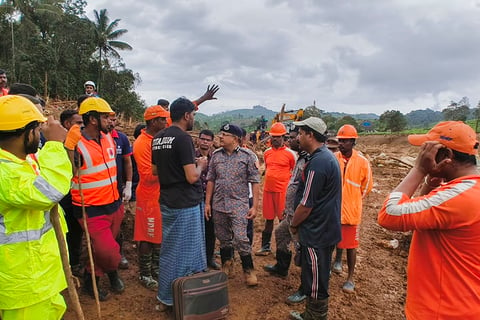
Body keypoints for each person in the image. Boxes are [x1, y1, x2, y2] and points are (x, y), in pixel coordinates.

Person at [378, 121, 480, 319]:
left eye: (427, 150)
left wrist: (419, 169)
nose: (422, 155)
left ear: (447, 156)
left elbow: (389, 214)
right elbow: (424, 214)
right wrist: (431, 181)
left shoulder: (457, 198)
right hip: (465, 303)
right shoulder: (469, 191)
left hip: (440, 310)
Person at [0, 95, 72, 320]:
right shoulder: (4, 173)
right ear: (27, 133)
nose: (40, 135)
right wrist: (54, 144)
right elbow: (49, 191)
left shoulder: (20, 160)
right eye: (38, 130)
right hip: (24, 286)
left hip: (42, 275)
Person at [152, 97, 208, 310]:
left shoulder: (157, 138)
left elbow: (155, 171)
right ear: (186, 115)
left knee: (169, 249)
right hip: (185, 203)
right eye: (193, 115)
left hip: (166, 200)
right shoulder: (183, 139)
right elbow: (192, 177)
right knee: (187, 252)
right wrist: (200, 164)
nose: (193, 118)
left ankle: (165, 295)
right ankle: (182, 298)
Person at [67, 97, 125, 301]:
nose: (112, 121)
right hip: (90, 209)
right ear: (92, 119)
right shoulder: (75, 144)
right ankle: (111, 270)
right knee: (109, 252)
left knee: (99, 250)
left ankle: (92, 284)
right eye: (106, 117)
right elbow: (69, 171)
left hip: (114, 204)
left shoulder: (108, 137)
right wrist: (70, 143)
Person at [289, 117, 341, 320]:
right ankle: (312, 313)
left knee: (317, 276)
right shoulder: (325, 157)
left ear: (310, 135)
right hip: (324, 228)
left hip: (317, 232)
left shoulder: (318, 162)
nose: (298, 137)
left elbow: (306, 204)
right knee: (315, 272)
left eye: (301, 134)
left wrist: (294, 225)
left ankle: (316, 316)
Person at [205, 124, 261, 286]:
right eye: (221, 133)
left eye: (224, 134)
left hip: (239, 204)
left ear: (235, 139)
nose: (220, 137)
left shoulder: (247, 156)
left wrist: (255, 206)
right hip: (219, 204)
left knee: (241, 238)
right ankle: (227, 264)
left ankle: (248, 270)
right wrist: (208, 203)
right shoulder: (216, 156)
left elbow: (255, 182)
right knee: (223, 238)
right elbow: (211, 180)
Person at [331, 124, 373, 293]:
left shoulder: (363, 162)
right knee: (332, 240)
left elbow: (367, 186)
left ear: (353, 142)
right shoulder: (333, 159)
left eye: (345, 141)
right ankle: (335, 262)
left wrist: (353, 200)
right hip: (333, 210)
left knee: (351, 246)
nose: (341, 144)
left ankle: (350, 278)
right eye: (340, 140)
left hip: (351, 211)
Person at [133, 106, 170, 289]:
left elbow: (179, 119)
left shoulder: (157, 138)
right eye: (163, 119)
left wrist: (199, 101)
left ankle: (156, 269)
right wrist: (173, 171)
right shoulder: (142, 143)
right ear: (154, 122)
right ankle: (145, 274)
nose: (166, 122)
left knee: (159, 235)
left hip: (160, 195)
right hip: (148, 197)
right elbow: (148, 175)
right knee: (147, 236)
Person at [264, 129, 306, 278]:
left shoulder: (304, 159)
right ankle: (281, 267)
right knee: (281, 232)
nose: (291, 140)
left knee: (303, 244)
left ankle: (307, 280)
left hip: (301, 211)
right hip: (290, 209)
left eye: (294, 138)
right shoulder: (300, 158)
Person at [257, 122, 297, 255]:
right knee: (268, 219)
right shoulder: (267, 153)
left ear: (283, 137)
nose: (274, 139)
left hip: (282, 192)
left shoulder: (291, 154)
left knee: (282, 221)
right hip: (268, 190)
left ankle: (282, 249)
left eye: (278, 136)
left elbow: (294, 172)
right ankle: (265, 246)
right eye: (273, 136)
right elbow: (267, 169)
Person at [59, 109, 85, 277]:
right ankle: (64, 265)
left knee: (76, 232)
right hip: (62, 196)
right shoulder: (57, 143)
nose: (81, 127)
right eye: (78, 123)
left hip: (77, 196)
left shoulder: (80, 143)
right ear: (67, 124)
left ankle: (74, 264)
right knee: (64, 231)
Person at [108, 113, 133, 270]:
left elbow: (127, 162)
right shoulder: (95, 139)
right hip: (100, 191)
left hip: (117, 189)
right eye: (108, 118)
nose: (111, 121)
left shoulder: (121, 138)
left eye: (114, 118)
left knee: (118, 223)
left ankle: (119, 253)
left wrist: (128, 184)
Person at [195, 129, 221, 270]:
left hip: (212, 199)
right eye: (202, 139)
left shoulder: (216, 157)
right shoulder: (191, 155)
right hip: (195, 198)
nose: (205, 142)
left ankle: (209, 258)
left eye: (208, 140)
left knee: (211, 230)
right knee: (196, 230)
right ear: (198, 140)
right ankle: (197, 260)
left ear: (212, 142)